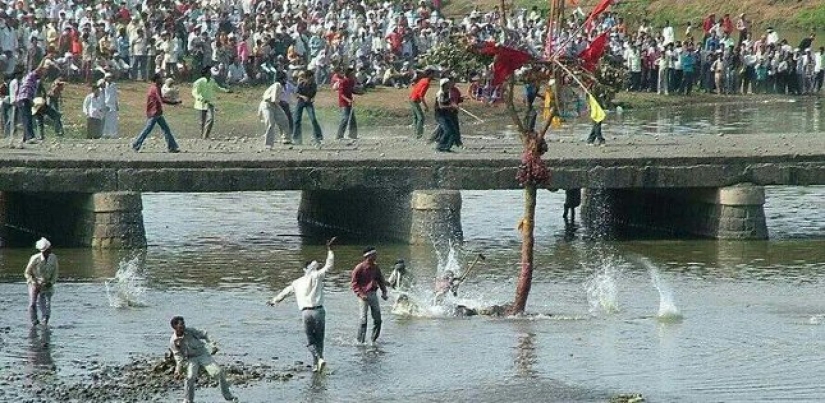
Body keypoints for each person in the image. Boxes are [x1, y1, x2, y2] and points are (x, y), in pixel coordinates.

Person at [268, 237, 336, 372]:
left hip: (305, 313)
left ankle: (317, 362)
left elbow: (285, 292)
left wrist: (274, 300)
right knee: (320, 339)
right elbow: (329, 266)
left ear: (304, 269)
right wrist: (330, 250)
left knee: (310, 340)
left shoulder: (297, 282)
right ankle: (319, 360)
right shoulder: (317, 276)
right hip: (319, 311)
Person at [168, 316, 238, 403]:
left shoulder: (190, 331)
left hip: (203, 354)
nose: (184, 326)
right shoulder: (173, 341)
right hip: (191, 359)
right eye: (181, 325)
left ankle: (229, 396)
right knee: (189, 378)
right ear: (175, 327)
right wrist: (178, 370)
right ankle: (188, 400)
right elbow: (178, 356)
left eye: (184, 323)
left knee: (218, 373)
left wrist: (212, 344)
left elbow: (205, 334)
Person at [131, 73, 181, 153]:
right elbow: (161, 100)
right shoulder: (155, 88)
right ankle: (136, 144)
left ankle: (172, 147)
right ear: (157, 79)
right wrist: (174, 102)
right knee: (147, 130)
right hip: (154, 113)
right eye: (160, 78)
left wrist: (172, 100)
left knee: (166, 130)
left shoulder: (155, 87)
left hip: (157, 113)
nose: (162, 79)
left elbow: (160, 98)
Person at [351, 246, 388, 344]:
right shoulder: (359, 268)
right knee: (363, 320)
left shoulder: (376, 267)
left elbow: (381, 280)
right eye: (374, 254)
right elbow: (354, 284)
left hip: (373, 294)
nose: (376, 256)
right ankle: (360, 342)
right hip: (363, 296)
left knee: (378, 320)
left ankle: (373, 340)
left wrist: (384, 292)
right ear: (368, 256)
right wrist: (360, 294)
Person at [24, 237, 58, 327]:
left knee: (46, 304)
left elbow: (55, 272)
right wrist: (33, 281)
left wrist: (51, 282)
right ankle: (34, 322)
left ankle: (45, 322)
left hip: (47, 284)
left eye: (50, 248)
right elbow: (27, 273)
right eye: (48, 249)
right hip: (34, 283)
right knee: (32, 303)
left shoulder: (53, 258)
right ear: (43, 250)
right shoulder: (35, 258)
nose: (50, 250)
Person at [192, 66, 230, 139]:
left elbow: (217, 88)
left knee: (211, 119)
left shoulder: (212, 81)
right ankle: (202, 137)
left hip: (209, 103)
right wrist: (201, 98)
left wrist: (226, 91)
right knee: (202, 122)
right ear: (205, 73)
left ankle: (206, 136)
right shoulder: (199, 82)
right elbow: (194, 92)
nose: (210, 73)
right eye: (209, 72)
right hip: (201, 104)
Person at [293, 69, 323, 146]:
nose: (313, 78)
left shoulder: (314, 84)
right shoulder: (301, 84)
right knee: (297, 120)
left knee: (313, 119)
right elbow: (296, 94)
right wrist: (303, 97)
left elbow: (314, 94)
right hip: (300, 102)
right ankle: (297, 138)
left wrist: (313, 98)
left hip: (309, 102)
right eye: (311, 77)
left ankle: (318, 136)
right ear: (307, 77)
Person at [261, 72, 291, 147]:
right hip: (267, 104)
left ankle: (286, 139)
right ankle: (268, 144)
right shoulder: (277, 85)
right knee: (270, 124)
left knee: (284, 120)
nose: (286, 80)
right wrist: (282, 103)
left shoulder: (281, 87)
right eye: (285, 78)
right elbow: (274, 99)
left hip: (275, 105)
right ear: (282, 79)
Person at [409, 68, 433, 138]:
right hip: (414, 100)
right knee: (421, 118)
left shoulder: (423, 80)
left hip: (411, 98)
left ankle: (415, 133)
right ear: (430, 75)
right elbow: (421, 96)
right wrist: (426, 106)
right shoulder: (426, 83)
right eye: (433, 74)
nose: (434, 75)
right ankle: (419, 134)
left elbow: (415, 86)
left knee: (416, 117)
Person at [336, 67, 358, 140]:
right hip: (343, 102)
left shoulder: (351, 81)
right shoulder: (343, 81)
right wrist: (348, 100)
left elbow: (352, 90)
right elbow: (341, 94)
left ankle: (353, 135)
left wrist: (358, 92)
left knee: (352, 119)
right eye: (352, 74)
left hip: (350, 102)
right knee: (345, 118)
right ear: (348, 74)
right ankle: (339, 136)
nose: (354, 75)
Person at [101, 73, 119, 138]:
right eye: (108, 77)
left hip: (113, 104)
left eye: (111, 77)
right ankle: (105, 133)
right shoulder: (104, 85)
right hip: (106, 104)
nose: (110, 78)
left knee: (113, 119)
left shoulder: (114, 85)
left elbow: (115, 95)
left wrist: (116, 104)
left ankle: (114, 134)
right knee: (106, 119)